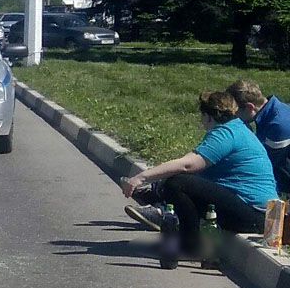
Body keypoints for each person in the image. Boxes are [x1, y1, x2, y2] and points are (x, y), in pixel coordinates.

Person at [121, 90, 277, 254]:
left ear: (208, 116)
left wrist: (140, 178)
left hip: (253, 215)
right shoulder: (237, 128)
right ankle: (174, 226)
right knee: (178, 181)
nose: (202, 122)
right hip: (258, 213)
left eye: (202, 117)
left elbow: (188, 165)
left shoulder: (225, 133)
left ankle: (189, 245)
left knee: (178, 184)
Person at [226, 79, 290, 195]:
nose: (233, 117)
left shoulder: (279, 125)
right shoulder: (271, 113)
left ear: (250, 107)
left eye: (235, 113)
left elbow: (263, 165)